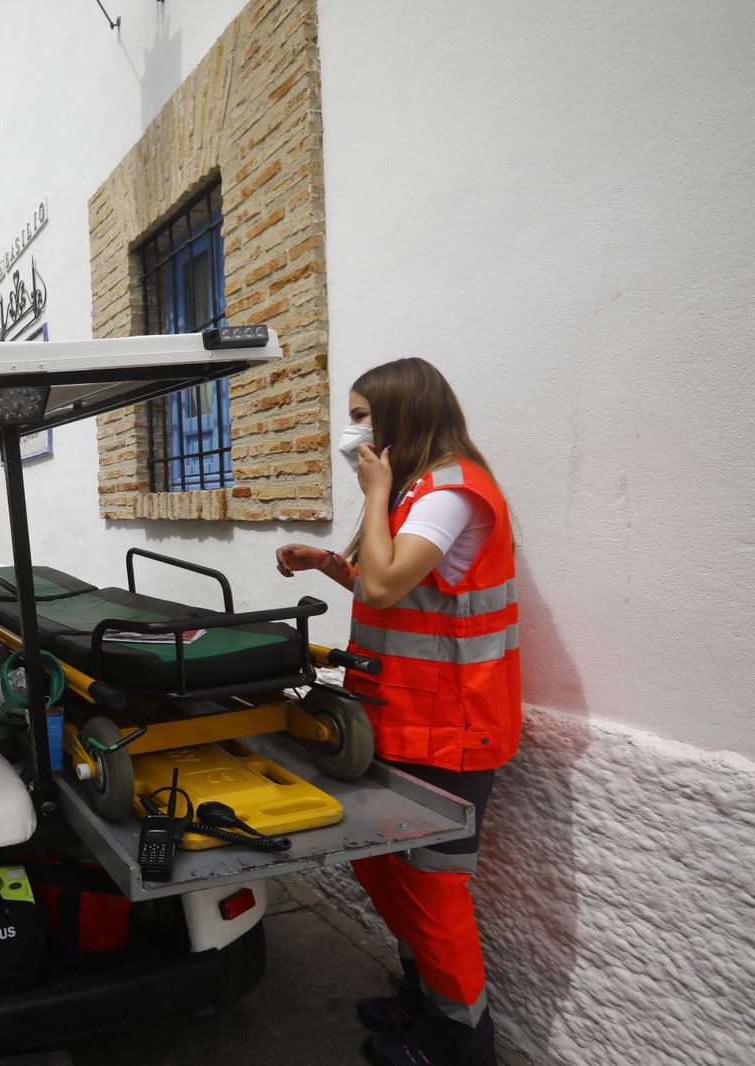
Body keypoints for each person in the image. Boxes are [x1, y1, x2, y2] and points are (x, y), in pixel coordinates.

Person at [275, 358, 516, 1066]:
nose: (353, 432)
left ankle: (462, 1045)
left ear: (402, 417)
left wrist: (374, 490)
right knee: (385, 871)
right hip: (399, 718)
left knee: (434, 895)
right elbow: (401, 590)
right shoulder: (417, 492)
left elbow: (383, 586)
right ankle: (421, 1002)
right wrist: (328, 562)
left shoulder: (450, 494)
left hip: (452, 730)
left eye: (362, 416)